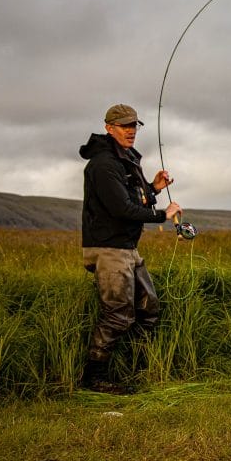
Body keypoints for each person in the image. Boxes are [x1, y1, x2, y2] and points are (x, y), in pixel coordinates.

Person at [78, 103, 182, 393]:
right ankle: (94, 377)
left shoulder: (125, 159)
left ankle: (131, 367)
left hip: (127, 248)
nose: (131, 131)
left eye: (134, 125)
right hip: (109, 249)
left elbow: (135, 199)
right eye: (125, 126)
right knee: (118, 314)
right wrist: (163, 215)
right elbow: (122, 208)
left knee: (149, 308)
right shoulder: (103, 164)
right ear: (109, 128)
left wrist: (155, 188)